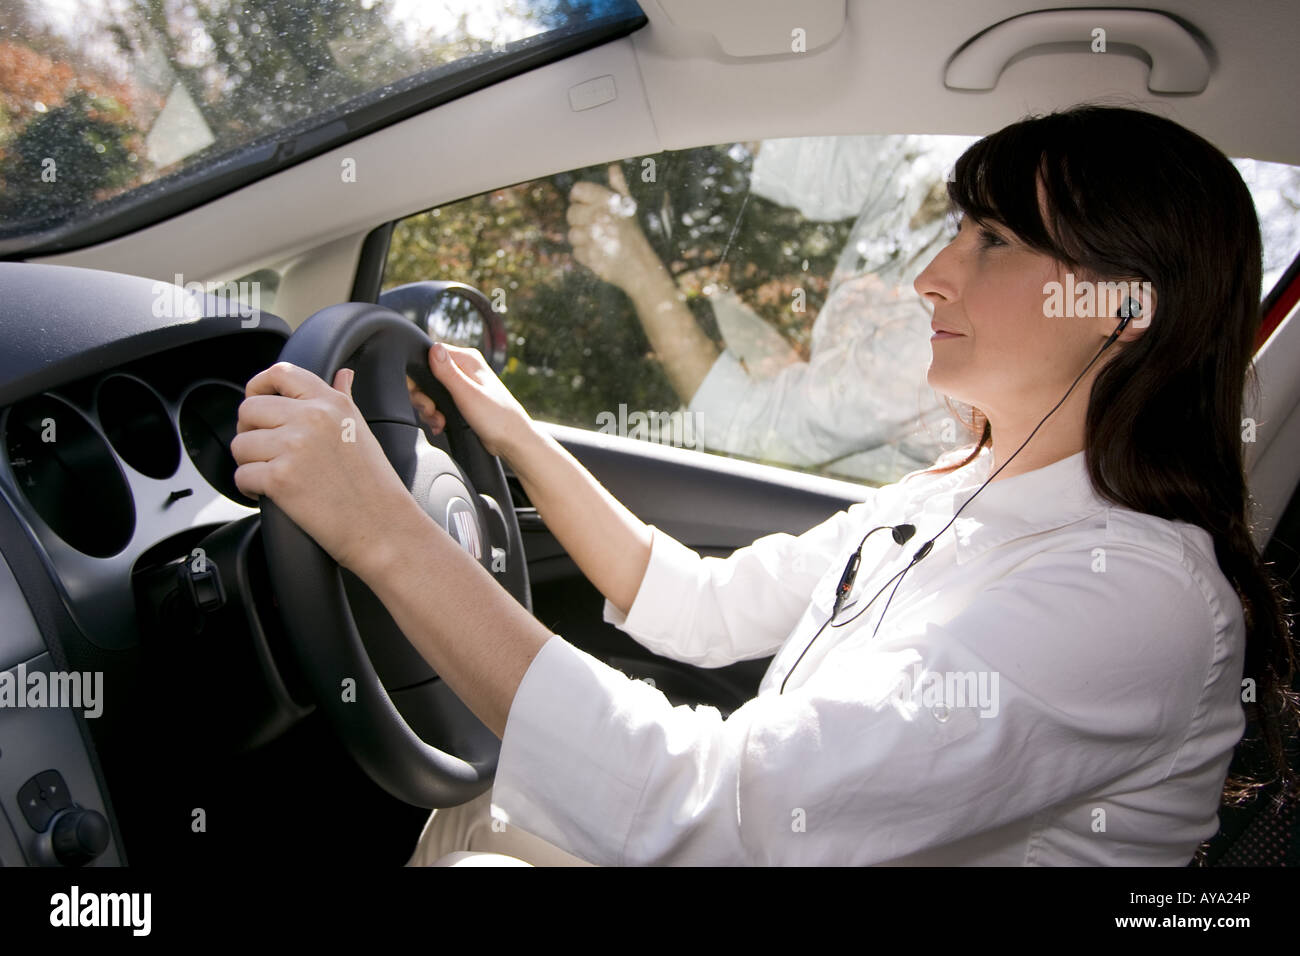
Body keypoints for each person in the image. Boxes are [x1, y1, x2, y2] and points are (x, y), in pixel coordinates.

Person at [231, 104, 1298, 866]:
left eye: (991, 240)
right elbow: (696, 602)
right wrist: (509, 434)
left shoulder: (1133, 595)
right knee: (477, 816)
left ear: (1119, 308)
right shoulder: (957, 488)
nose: (934, 272)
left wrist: (383, 531)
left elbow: (731, 807)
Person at [564, 135, 970, 484]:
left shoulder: (937, 338)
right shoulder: (927, 163)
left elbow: (752, 428)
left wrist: (639, 273)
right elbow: (817, 161)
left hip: (844, 510)